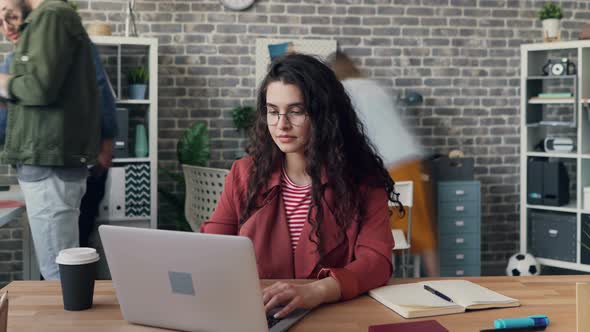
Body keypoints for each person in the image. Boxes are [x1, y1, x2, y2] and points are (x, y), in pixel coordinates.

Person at [202, 53, 402, 318]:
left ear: (324, 115)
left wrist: (316, 292)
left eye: (296, 111)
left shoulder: (363, 181)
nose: (281, 125)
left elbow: (376, 262)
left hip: (333, 315)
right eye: (273, 112)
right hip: (259, 314)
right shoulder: (243, 174)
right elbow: (210, 249)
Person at [0, 0, 118, 249]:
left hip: (70, 159)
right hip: (47, 160)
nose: (6, 27)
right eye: (1, 23)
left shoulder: (54, 26)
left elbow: (97, 89)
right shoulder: (13, 61)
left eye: (11, 18)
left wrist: (106, 142)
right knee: (64, 253)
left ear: (28, 20)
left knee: (68, 253)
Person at [329, 52, 439, 277]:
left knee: (378, 229)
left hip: (385, 163)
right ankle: (437, 280)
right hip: (409, 158)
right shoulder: (375, 87)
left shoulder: (343, 92)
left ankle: (376, 276)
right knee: (422, 231)